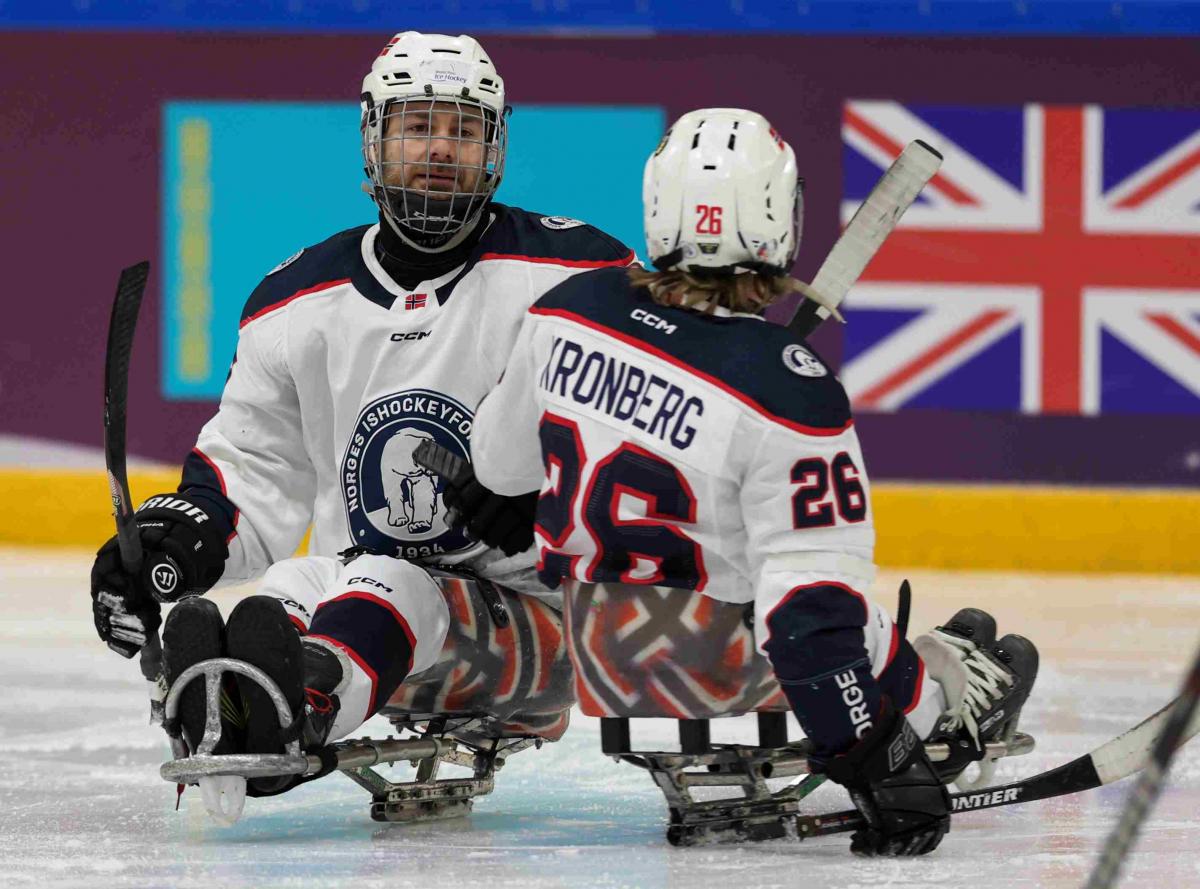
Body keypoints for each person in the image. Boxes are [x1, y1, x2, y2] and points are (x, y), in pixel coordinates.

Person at [449, 108, 1039, 856]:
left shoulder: (567, 308)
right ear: (776, 217)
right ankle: (947, 698)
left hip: (600, 663)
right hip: (726, 670)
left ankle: (940, 668)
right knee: (829, 590)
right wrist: (877, 759)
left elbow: (499, 469)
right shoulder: (790, 389)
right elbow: (808, 619)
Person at [89, 31, 634, 793]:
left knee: (389, 581)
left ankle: (296, 708)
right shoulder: (293, 302)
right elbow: (250, 471)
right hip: (361, 597)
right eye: (417, 125)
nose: (441, 149)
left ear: (497, 146)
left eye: (464, 129)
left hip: (543, 626)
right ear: (372, 141)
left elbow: (655, 453)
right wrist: (173, 539)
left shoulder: (582, 276)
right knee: (283, 596)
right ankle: (229, 699)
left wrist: (548, 505)